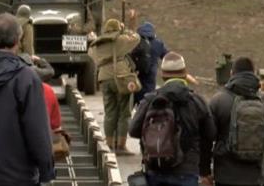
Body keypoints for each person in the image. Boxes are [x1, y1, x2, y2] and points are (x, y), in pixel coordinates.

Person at [0, 14, 55, 186]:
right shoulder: (25, 76)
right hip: (20, 173)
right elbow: (37, 130)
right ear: (18, 39)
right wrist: (46, 171)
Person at [129, 52, 215, 186]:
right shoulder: (197, 101)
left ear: (163, 75)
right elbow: (210, 134)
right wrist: (205, 170)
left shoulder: (150, 100)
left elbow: (133, 130)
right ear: (184, 73)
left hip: (155, 169)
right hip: (187, 171)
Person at [209, 56, 264, 186]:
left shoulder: (218, 101)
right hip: (259, 176)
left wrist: (205, 171)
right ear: (255, 74)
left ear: (232, 73)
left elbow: (207, 137)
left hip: (226, 176)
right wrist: (263, 141)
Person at [88, 16, 140, 154]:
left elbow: (91, 55)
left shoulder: (96, 44)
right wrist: (125, 31)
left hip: (104, 78)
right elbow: (136, 38)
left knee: (110, 112)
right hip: (121, 77)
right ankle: (121, 146)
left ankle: (109, 145)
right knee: (124, 112)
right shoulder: (121, 40)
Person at [133, 21, 169, 104]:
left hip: (135, 75)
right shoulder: (158, 44)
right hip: (150, 76)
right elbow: (167, 57)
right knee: (147, 101)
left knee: (133, 100)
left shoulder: (135, 42)